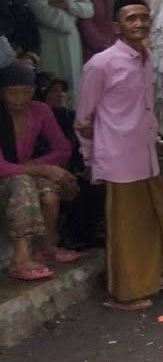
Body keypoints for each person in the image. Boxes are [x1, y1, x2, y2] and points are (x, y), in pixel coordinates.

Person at [76, 0, 163, 310]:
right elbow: (84, 119)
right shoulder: (101, 64)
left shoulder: (146, 57)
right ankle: (124, 294)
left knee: (157, 216)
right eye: (131, 18)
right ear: (117, 27)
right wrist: (89, 158)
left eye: (144, 17)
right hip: (117, 158)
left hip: (145, 154)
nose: (139, 23)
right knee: (126, 229)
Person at [0, 63, 79, 282]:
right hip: (8, 177)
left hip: (22, 170)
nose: (19, 98)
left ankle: (46, 246)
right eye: (12, 92)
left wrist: (38, 166)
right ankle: (20, 259)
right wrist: (42, 168)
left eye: (26, 92)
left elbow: (63, 148)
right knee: (23, 185)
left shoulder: (40, 110)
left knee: (49, 193)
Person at [38, 75, 103, 250]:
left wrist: (81, 168)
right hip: (43, 169)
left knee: (92, 184)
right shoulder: (36, 117)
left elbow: (75, 147)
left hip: (69, 168)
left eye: (63, 91)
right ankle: (70, 236)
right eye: (54, 91)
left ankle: (89, 233)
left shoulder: (69, 116)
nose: (60, 95)